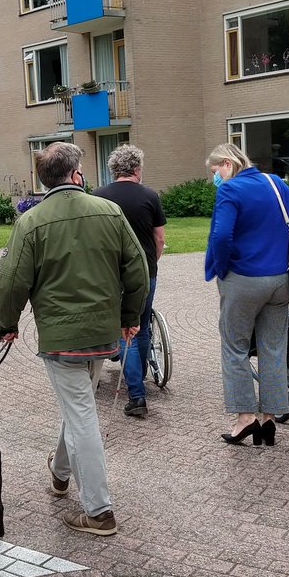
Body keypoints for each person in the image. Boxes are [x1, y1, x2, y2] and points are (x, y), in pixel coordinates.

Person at [0, 142, 147, 536]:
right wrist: (130, 316)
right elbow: (138, 268)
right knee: (78, 407)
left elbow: (10, 280)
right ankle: (60, 474)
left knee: (80, 414)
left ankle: (99, 511)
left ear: (44, 180)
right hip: (102, 333)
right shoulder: (109, 211)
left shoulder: (31, 222)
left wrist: (6, 322)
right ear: (76, 174)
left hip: (61, 338)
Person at [205, 143, 289, 446]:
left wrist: (223, 267)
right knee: (273, 348)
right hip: (279, 280)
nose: (216, 178)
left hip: (243, 278)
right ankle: (270, 418)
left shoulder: (230, 189)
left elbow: (221, 236)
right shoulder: (275, 183)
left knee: (234, 347)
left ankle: (245, 419)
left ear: (227, 163)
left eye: (216, 171)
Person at [93, 145, 166, 419]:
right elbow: (159, 238)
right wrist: (151, 263)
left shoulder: (98, 196)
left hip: (110, 274)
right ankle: (138, 384)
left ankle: (136, 392)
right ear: (136, 168)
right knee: (140, 326)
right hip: (144, 273)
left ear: (114, 169)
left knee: (123, 328)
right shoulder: (150, 196)